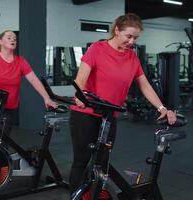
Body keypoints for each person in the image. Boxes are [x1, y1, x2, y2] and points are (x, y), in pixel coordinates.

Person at [69, 13, 177, 193]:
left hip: (109, 116)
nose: (132, 41)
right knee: (82, 160)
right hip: (85, 114)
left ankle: (95, 195)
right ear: (117, 30)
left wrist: (162, 108)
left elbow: (145, 85)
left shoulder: (132, 57)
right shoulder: (97, 49)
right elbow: (80, 79)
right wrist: (80, 95)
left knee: (102, 164)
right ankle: (76, 196)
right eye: (129, 36)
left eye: (136, 38)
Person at [0, 30, 57, 140]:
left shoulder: (21, 62)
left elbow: (34, 80)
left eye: (15, 38)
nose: (13, 40)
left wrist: (47, 98)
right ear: (0, 41)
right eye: (9, 37)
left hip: (9, 108)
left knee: (3, 141)